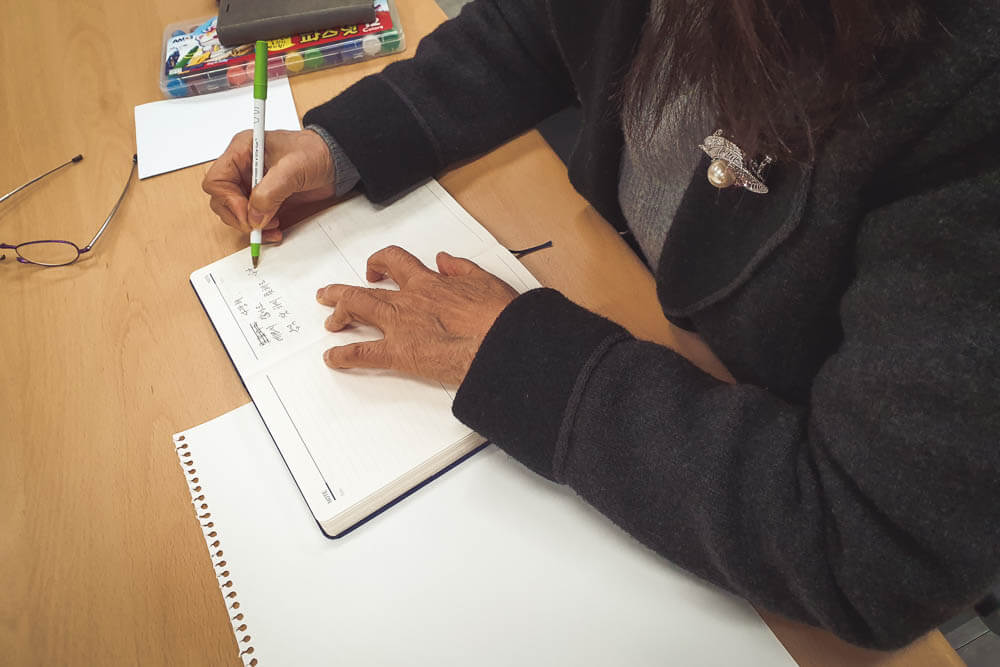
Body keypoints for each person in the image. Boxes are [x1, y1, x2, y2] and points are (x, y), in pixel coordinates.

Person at [203, 0, 1000, 651]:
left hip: (768, 438)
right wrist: (350, 141)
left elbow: (872, 544)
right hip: (632, 292)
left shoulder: (968, 82)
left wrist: (523, 363)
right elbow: (537, 25)